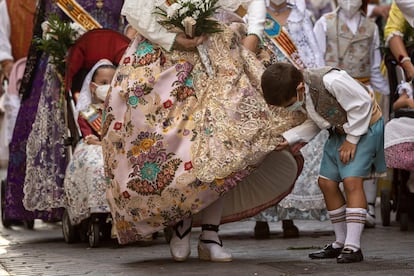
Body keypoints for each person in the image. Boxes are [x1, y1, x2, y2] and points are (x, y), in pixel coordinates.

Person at [102, 0, 305, 262]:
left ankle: (210, 234)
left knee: (223, 146)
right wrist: (171, 38)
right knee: (175, 149)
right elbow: (138, 9)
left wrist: (254, 33)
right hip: (163, 57)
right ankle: (181, 227)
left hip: (220, 56)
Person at [5, 0, 125, 224]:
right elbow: (50, 26)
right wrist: (62, 47)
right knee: (57, 129)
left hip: (115, 65)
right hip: (67, 66)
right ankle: (61, 201)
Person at [261, 62, 386, 263]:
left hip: (364, 128)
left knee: (352, 181)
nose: (290, 108)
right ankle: (341, 242)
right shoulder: (304, 92)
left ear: (299, 88)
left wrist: (352, 140)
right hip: (339, 130)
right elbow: (316, 121)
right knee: (326, 183)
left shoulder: (331, 80)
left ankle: (353, 247)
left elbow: (362, 104)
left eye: (288, 104)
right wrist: (290, 138)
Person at [252, 0, 328, 239]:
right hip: (266, 94)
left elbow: (314, 55)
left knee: (293, 153)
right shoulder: (253, 13)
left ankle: (287, 218)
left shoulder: (301, 16)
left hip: (294, 95)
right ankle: (261, 218)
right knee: (267, 154)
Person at [313, 0, 389, 228]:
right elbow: (317, 63)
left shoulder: (371, 27)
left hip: (364, 96)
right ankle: (350, 209)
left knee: (368, 152)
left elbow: (375, 68)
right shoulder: (324, 23)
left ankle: (368, 207)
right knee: (342, 155)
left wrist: (388, 93)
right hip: (334, 97)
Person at [63, 59, 116, 226]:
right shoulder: (87, 113)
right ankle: (96, 206)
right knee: (96, 164)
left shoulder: (122, 110)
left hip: (116, 145)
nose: (108, 87)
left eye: (113, 82)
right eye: (104, 83)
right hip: (94, 146)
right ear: (93, 87)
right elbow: (88, 136)